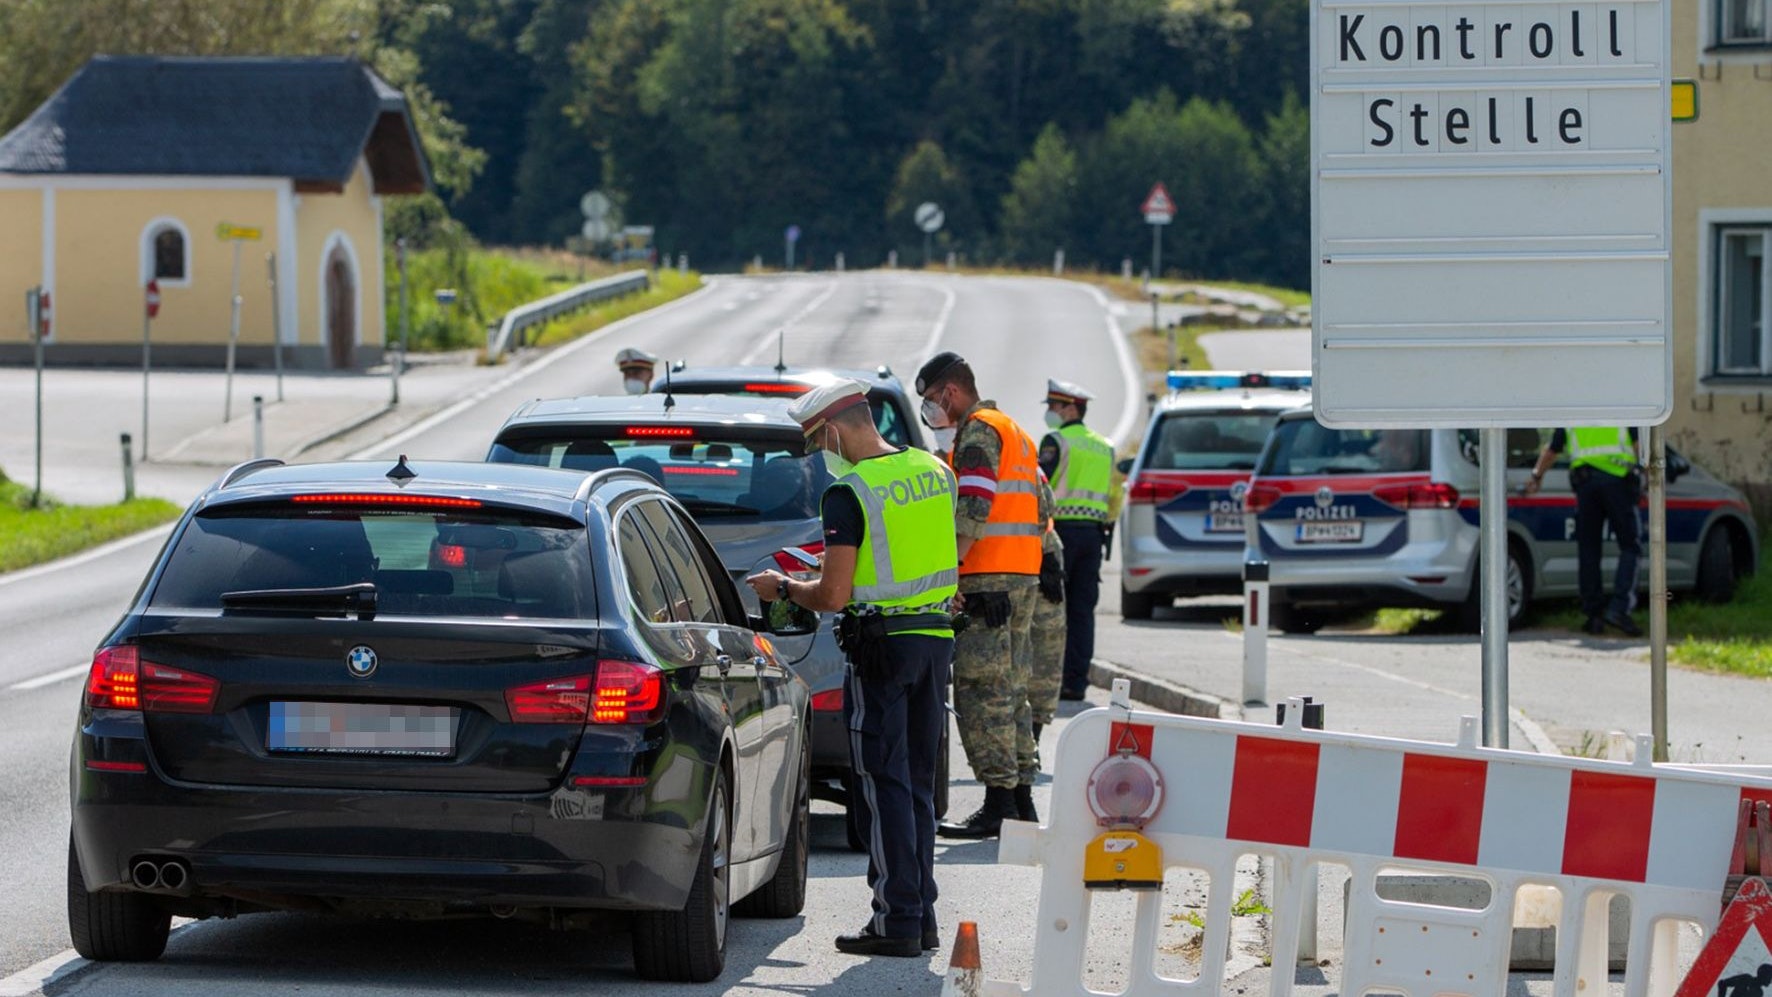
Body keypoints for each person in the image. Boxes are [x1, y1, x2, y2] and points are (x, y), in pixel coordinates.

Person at [744, 379, 957, 958]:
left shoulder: (849, 493)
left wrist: (786, 585)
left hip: (883, 648)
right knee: (915, 784)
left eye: (819, 442)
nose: (822, 454)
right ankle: (922, 914)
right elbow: (908, 552)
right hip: (935, 640)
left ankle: (896, 920)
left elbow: (834, 595)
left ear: (835, 429)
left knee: (884, 785)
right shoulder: (935, 471)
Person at [916, 351, 1044, 837]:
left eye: (931, 401)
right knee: (1011, 692)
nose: (931, 412)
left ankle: (998, 805)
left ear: (949, 393)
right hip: (1021, 575)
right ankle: (1020, 801)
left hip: (987, 577)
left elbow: (972, 508)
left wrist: (945, 576)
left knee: (980, 692)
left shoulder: (977, 433)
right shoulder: (1014, 429)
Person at [1037, 379, 1115, 701]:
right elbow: (1113, 494)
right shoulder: (1104, 446)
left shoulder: (1056, 440)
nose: (1051, 413)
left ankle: (1048, 682)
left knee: (1051, 609)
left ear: (1070, 408)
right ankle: (1075, 683)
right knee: (1083, 612)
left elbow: (1041, 486)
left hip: (1062, 533)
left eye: (1055, 406)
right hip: (1094, 536)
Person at [1524, 427, 1643, 636]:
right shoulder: (1620, 403)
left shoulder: (1576, 411)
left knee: (1589, 550)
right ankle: (1619, 609)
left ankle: (1594, 616)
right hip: (1618, 482)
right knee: (1630, 546)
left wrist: (1536, 475)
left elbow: (1552, 450)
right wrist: (1651, 473)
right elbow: (1639, 446)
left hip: (1586, 484)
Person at [1028, 470, 1068, 748]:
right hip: (986, 562)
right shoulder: (956, 453)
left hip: (1041, 550)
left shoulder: (1021, 452)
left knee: (1047, 646)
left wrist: (1045, 555)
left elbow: (1045, 505)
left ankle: (1033, 740)